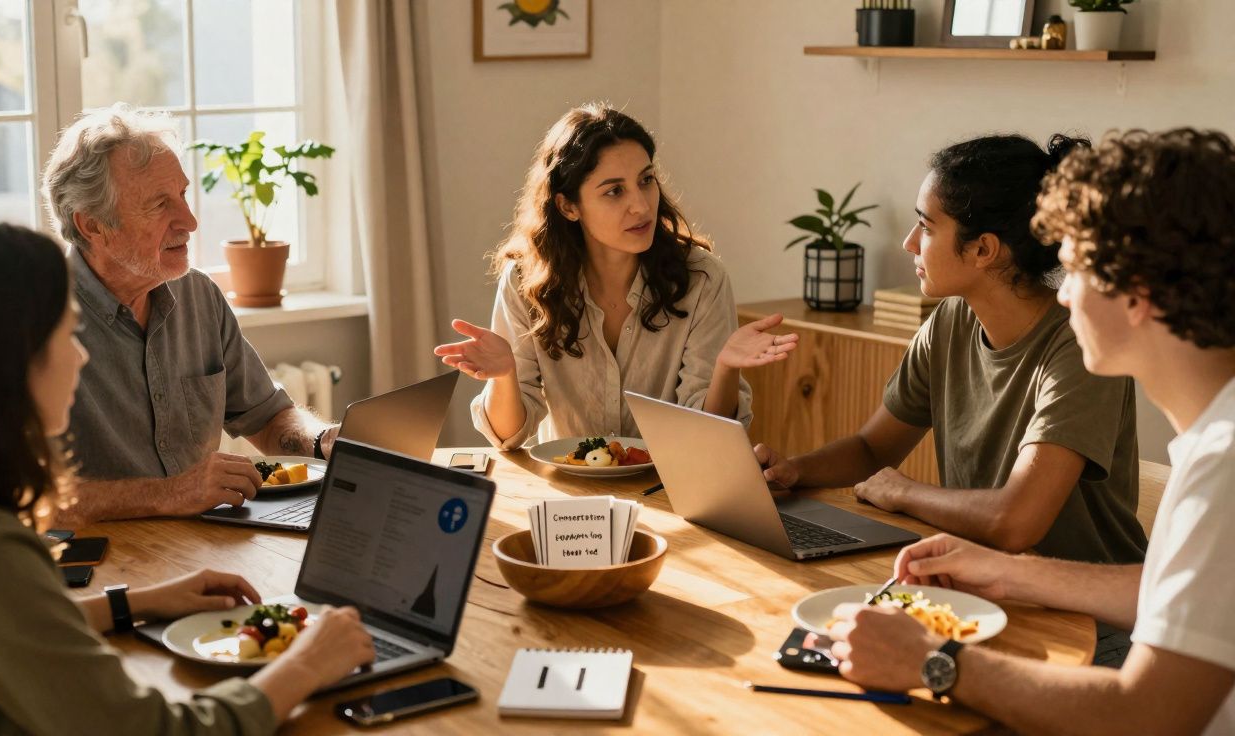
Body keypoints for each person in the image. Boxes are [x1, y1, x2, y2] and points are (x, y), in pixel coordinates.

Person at [824, 128, 1235, 735]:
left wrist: (934, 662)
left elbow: (1147, 714)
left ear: (1138, 295)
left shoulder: (1224, 467)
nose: (1062, 292)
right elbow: (1175, 592)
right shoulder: (1213, 443)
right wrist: (1007, 570)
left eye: (1073, 269)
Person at [0, 220, 375, 734]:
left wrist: (132, 603)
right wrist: (307, 663)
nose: (81, 355)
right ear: (1, 363)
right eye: (66, 334)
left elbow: (4, 626)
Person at [755, 134, 1146, 567]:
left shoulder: (1079, 348)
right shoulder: (950, 322)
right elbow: (872, 449)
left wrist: (905, 492)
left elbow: (1016, 522)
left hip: (1093, 618)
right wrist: (793, 471)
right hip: (983, 585)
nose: (909, 242)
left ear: (983, 249)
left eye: (925, 226)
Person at [40, 104, 340, 526]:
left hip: (204, 549)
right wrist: (168, 494)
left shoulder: (198, 294)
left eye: (181, 194)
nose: (190, 221)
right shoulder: (33, 320)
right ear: (92, 226)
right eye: (159, 204)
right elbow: (22, 499)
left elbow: (269, 418)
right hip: (103, 565)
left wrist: (325, 442)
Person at [434, 104, 795, 448]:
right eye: (614, 191)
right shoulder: (524, 281)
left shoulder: (702, 279)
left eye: (646, 180)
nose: (640, 205)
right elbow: (507, 437)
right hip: (567, 499)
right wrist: (505, 376)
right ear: (568, 206)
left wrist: (726, 368)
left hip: (666, 491)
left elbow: (710, 440)